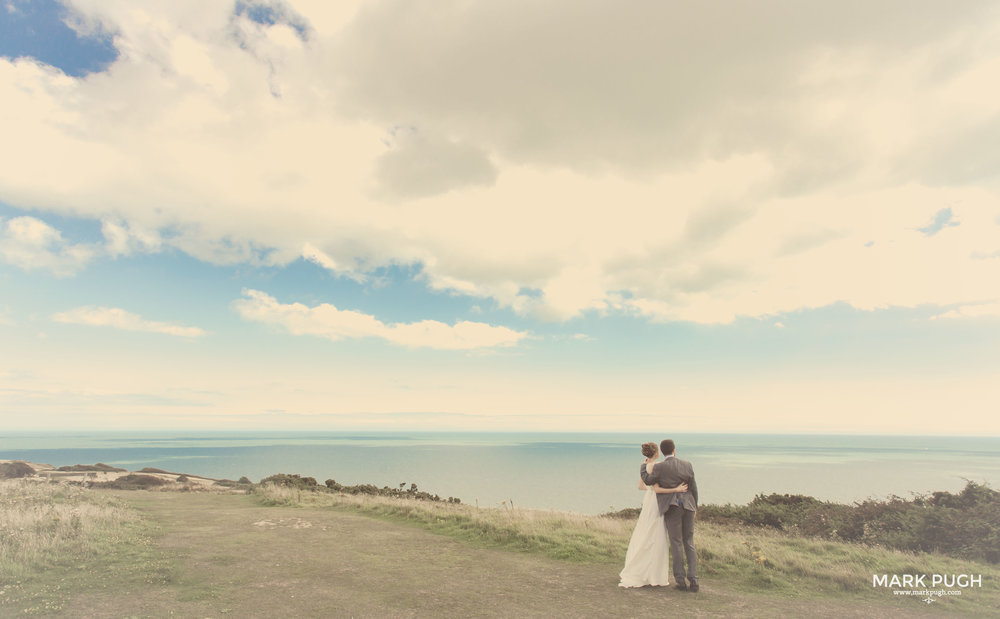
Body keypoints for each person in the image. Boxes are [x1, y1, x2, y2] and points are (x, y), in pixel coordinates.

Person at [618, 442, 689, 588]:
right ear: (657, 453)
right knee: (656, 535)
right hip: (656, 503)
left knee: (645, 533)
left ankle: (641, 569)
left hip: (648, 503)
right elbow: (657, 490)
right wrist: (676, 488)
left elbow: (641, 486)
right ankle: (653, 574)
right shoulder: (657, 466)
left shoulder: (645, 466)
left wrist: (650, 488)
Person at [639, 439, 699, 592]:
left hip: (673, 509)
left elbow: (647, 480)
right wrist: (695, 507)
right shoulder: (687, 464)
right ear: (674, 450)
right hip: (688, 507)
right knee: (689, 543)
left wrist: (643, 466)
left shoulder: (660, 467)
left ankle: (681, 581)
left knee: (676, 543)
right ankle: (694, 581)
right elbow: (693, 488)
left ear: (662, 451)